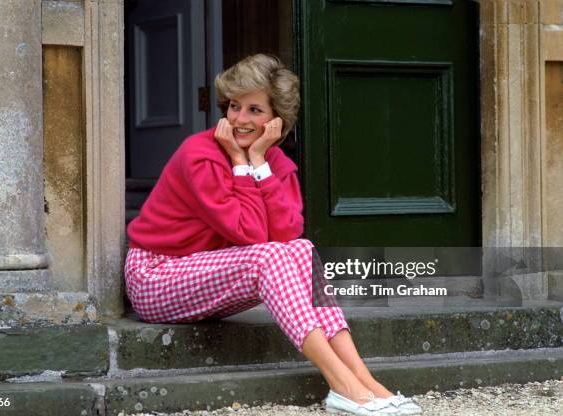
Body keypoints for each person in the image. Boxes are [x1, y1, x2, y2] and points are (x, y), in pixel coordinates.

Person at [124, 54, 421, 416]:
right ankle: (341, 385)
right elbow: (248, 233)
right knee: (274, 255)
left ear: (277, 119)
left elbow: (286, 234)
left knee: (300, 248)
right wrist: (238, 162)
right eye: (234, 107)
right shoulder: (199, 155)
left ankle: (366, 382)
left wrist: (259, 162)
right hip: (157, 277)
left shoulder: (276, 164)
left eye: (254, 110)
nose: (240, 120)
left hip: (212, 273)